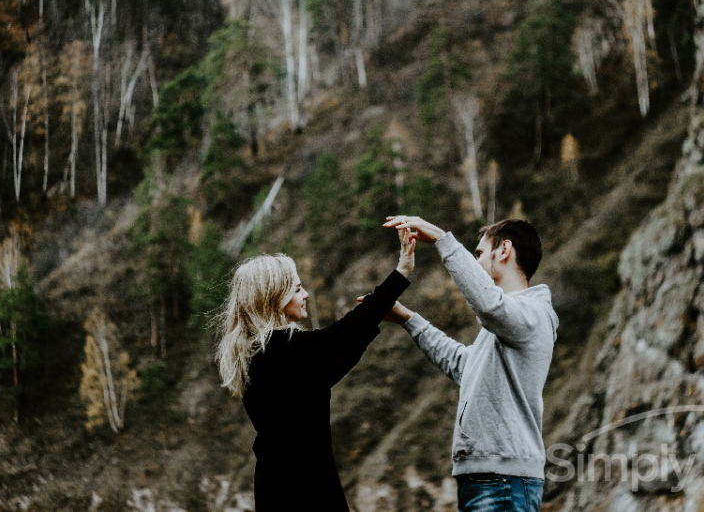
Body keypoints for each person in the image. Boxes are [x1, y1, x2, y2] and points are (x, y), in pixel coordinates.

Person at [215, 228, 415, 512]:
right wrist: (401, 273)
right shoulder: (278, 348)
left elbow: (326, 374)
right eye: (297, 289)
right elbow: (339, 336)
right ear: (274, 298)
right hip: (300, 490)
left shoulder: (263, 353)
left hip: (288, 486)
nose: (305, 293)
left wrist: (373, 319)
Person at [380, 215, 558, 512]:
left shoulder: (532, 314)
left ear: (504, 251)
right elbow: (462, 364)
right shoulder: (507, 324)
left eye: (479, 254)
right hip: (485, 478)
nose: (476, 263)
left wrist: (441, 238)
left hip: (504, 480)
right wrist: (408, 319)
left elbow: (488, 304)